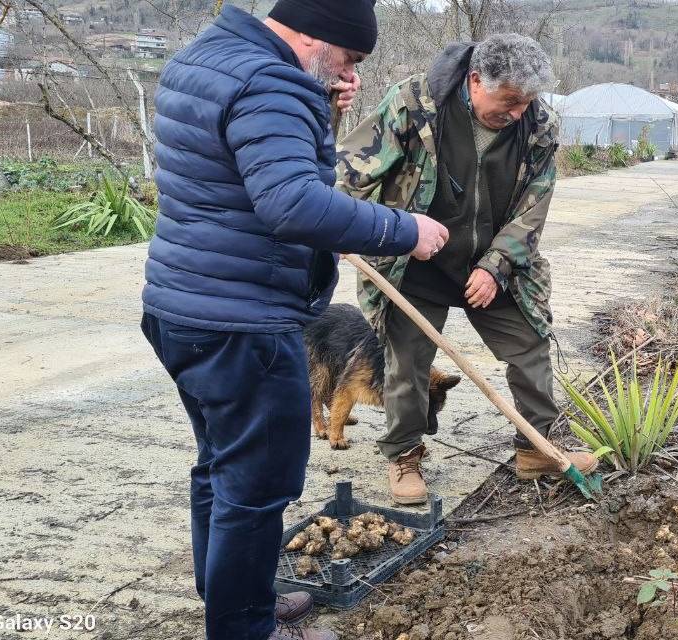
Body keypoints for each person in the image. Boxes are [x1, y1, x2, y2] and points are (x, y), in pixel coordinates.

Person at [139, 1, 448, 638]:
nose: (349, 70)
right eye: (349, 57)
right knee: (258, 489)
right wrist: (403, 229)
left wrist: (324, 107)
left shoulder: (203, 60)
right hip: (242, 324)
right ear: (316, 35)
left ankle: (227, 596)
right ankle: (245, 625)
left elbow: (255, 168)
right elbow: (294, 203)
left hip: (180, 307)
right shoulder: (271, 83)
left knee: (220, 465)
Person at [336, 33, 598, 506]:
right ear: (476, 81)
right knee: (407, 362)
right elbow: (353, 169)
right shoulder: (415, 104)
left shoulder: (537, 124)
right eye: (510, 100)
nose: (519, 111)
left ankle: (537, 448)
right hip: (416, 259)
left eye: (528, 101)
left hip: (495, 264)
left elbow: (535, 205)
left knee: (530, 346)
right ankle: (404, 454)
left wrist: (497, 265)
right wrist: (331, 223)